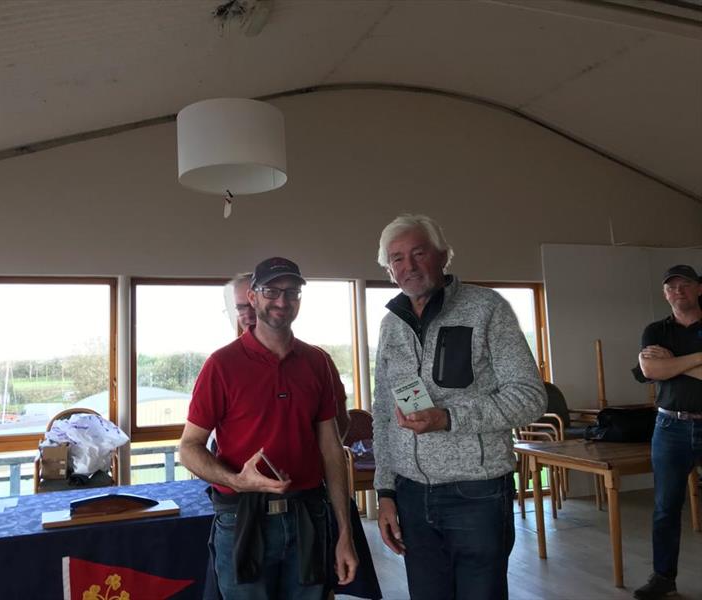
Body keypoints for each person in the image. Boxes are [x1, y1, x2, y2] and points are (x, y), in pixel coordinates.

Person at [371, 214, 546, 600]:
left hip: (477, 493)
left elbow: (529, 396)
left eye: (419, 253)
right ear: (389, 270)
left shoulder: (487, 308)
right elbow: (383, 413)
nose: (409, 266)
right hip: (411, 495)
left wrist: (449, 418)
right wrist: (385, 491)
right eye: (397, 258)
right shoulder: (391, 325)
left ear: (444, 256)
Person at [180, 257, 358, 600]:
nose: (282, 301)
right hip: (241, 521)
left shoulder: (316, 362)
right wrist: (235, 480)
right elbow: (189, 447)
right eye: (271, 291)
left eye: (292, 292)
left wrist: (345, 531)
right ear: (253, 296)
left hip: (308, 516)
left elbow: (332, 448)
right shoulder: (221, 364)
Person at [633, 264, 702, 600]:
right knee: (665, 507)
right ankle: (663, 579)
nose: (678, 291)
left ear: (698, 289)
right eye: (671, 287)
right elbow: (650, 368)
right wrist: (698, 360)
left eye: (685, 284)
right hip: (670, 426)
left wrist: (674, 364)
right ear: (665, 294)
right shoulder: (655, 330)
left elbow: (664, 369)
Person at [227, 271, 351, 440]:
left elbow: (339, 425)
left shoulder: (318, 361)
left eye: (251, 306)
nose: (248, 314)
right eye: (241, 307)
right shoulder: (222, 364)